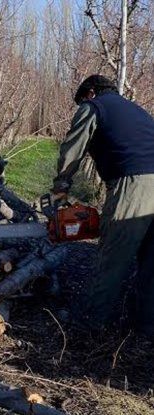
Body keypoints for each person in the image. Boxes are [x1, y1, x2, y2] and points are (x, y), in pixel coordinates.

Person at [52, 74, 154, 333]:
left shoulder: (94, 106)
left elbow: (73, 148)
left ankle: (89, 324)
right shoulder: (133, 109)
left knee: (113, 256)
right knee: (150, 261)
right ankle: (145, 327)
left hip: (135, 185)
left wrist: (61, 185)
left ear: (91, 93)